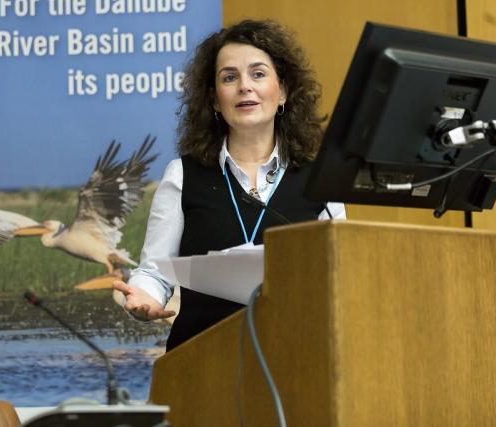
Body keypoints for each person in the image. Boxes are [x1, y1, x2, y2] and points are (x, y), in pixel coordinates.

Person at [113, 19, 346, 352]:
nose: (244, 86)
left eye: (258, 74)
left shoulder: (321, 180)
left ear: (283, 92)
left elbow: (340, 273)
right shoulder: (183, 174)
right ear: (213, 99)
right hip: (200, 362)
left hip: (297, 360)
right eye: (229, 77)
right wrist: (143, 300)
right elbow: (154, 272)